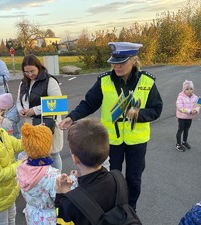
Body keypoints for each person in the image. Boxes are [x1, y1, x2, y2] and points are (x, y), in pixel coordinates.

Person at [59, 42, 163, 210]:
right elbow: (89, 103)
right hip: (111, 141)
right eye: (114, 61)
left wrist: (138, 114)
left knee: (134, 179)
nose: (116, 66)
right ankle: (111, 209)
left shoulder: (147, 81)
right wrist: (72, 117)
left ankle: (130, 210)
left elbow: (156, 109)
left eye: (121, 62)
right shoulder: (104, 81)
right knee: (109, 177)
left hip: (137, 141)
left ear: (133, 60)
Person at [55, 118, 115, 225]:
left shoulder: (70, 202)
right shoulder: (118, 179)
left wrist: (61, 194)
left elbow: (61, 221)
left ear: (75, 159)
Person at [17, 123, 76, 225]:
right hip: (48, 218)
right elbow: (59, 196)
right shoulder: (52, 174)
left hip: (31, 213)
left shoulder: (21, 167)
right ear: (47, 148)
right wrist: (72, 180)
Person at [16, 54, 64, 171]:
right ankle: (42, 181)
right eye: (26, 72)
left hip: (47, 124)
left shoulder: (50, 81)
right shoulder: (23, 83)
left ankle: (57, 179)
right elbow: (18, 101)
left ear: (39, 67)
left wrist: (35, 110)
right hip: (30, 124)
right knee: (34, 153)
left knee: (53, 152)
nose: (29, 74)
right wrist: (20, 110)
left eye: (32, 71)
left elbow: (58, 103)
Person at [175, 80, 200, 152]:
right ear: (184, 89)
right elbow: (180, 108)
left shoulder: (195, 97)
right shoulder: (180, 97)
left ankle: (184, 141)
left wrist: (196, 110)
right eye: (187, 89)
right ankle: (178, 144)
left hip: (189, 117)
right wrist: (189, 111)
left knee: (186, 129)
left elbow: (198, 105)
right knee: (181, 129)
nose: (189, 91)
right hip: (182, 117)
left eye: (191, 89)